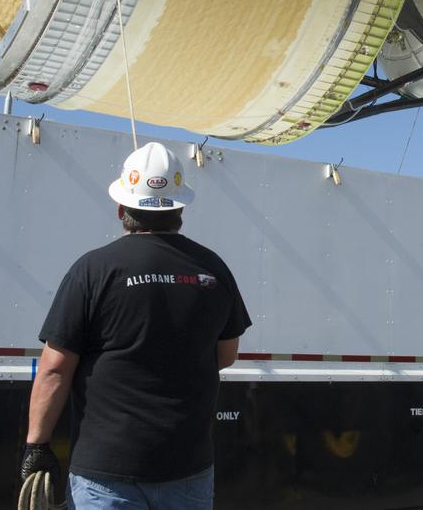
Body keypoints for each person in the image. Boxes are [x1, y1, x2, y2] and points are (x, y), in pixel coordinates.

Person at [19, 142, 252, 509]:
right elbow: (227, 355)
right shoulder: (214, 269)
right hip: (188, 468)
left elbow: (54, 370)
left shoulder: (92, 270)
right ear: (180, 208)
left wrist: (37, 446)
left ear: (121, 208)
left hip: (106, 475)